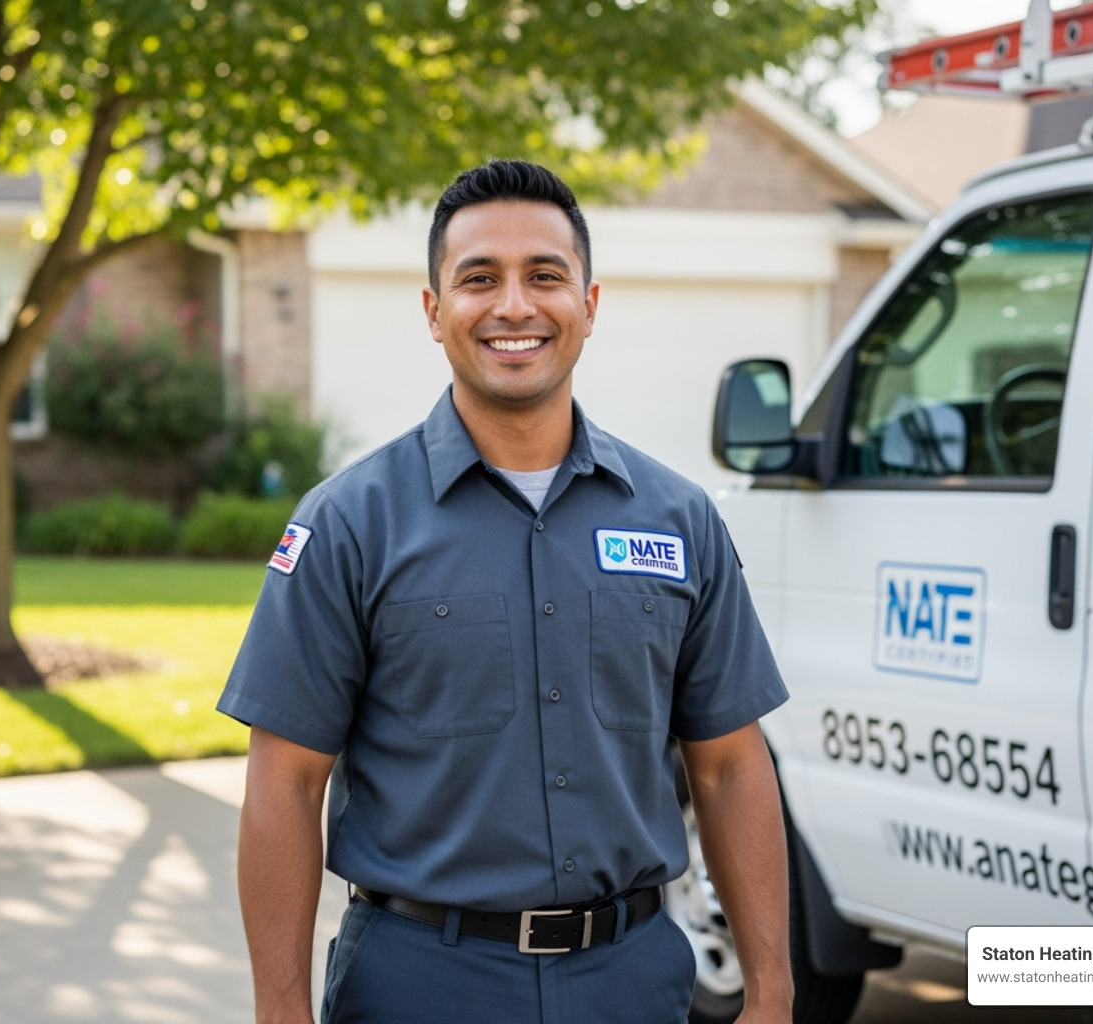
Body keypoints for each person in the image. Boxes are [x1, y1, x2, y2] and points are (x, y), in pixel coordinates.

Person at [219, 159, 792, 1024]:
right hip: (419, 986)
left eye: (546, 276)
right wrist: (281, 1011)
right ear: (433, 310)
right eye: (478, 278)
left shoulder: (681, 521)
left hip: (631, 984)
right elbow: (286, 783)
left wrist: (773, 996)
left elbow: (732, 767)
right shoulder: (349, 524)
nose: (515, 306)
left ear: (589, 306)